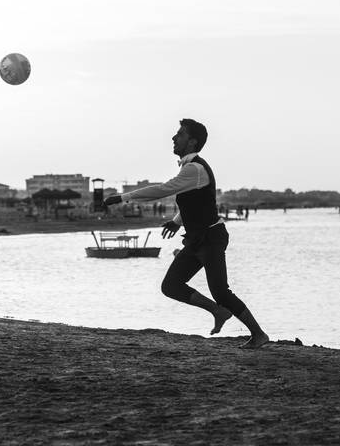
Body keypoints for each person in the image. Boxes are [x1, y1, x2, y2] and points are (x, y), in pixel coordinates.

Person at [103, 118, 270, 349]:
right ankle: (217, 311)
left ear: (192, 142)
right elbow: (194, 202)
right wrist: (176, 221)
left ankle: (259, 334)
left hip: (211, 238)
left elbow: (163, 190)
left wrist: (122, 197)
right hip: (196, 239)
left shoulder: (195, 168)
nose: (173, 138)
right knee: (171, 285)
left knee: (221, 291)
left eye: (179, 134)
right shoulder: (190, 169)